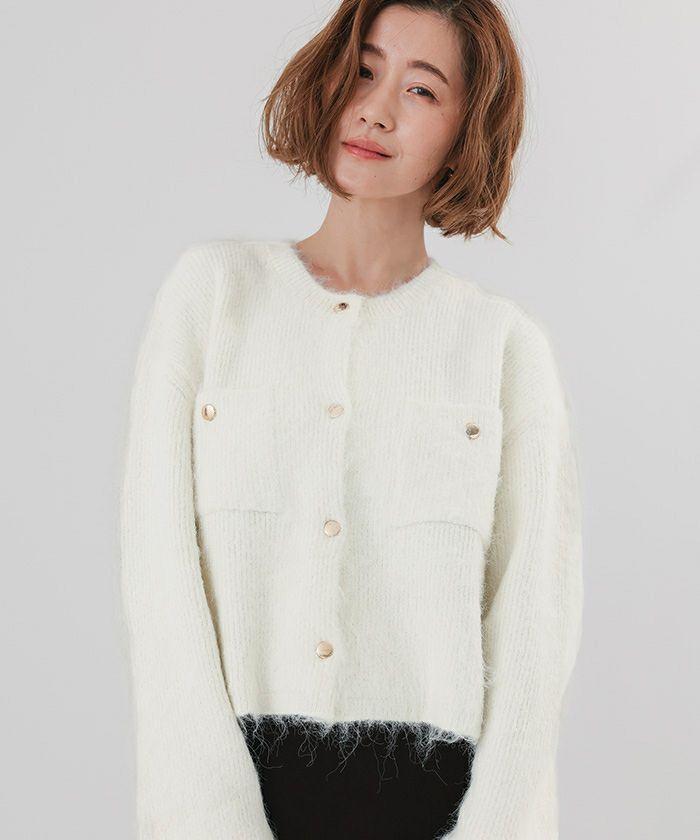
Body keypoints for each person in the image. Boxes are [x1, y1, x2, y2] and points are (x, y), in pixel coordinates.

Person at [118, 2, 584, 839]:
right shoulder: (213, 297)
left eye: (422, 90)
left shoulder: (503, 348)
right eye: (365, 71)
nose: (376, 109)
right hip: (234, 799)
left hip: (437, 810)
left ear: (466, 131)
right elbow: (158, 576)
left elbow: (534, 627)